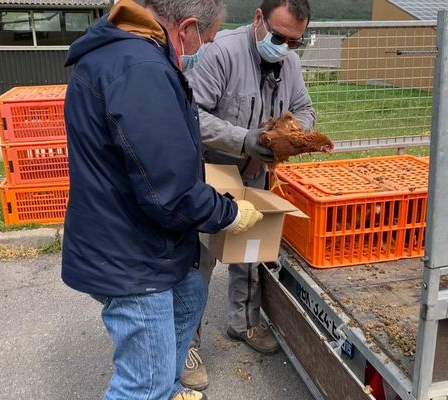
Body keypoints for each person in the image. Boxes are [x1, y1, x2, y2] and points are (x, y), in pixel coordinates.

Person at [61, 0, 264, 399]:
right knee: (143, 382)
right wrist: (227, 213)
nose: (197, 50)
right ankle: (159, 389)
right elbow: (169, 192)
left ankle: (170, 390)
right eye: (202, 40)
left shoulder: (123, 53)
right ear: (186, 27)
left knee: (191, 294)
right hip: (131, 256)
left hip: (130, 232)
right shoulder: (142, 70)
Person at [182, 0, 315, 391]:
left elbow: (305, 108)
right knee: (198, 262)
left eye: (295, 41)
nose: (286, 48)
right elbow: (191, 114)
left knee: (250, 253)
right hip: (213, 174)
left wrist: (289, 133)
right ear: (258, 19)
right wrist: (245, 140)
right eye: (279, 37)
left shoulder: (289, 62)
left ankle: (243, 324)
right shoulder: (221, 53)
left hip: (256, 175)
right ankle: (186, 344)